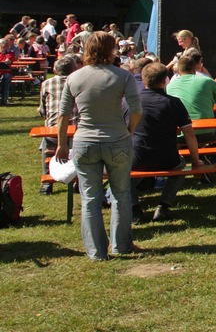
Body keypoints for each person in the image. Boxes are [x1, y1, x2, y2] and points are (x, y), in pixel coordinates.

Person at [56, 31, 142, 260]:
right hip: (117, 140)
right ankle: (121, 244)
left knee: (90, 198)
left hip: (84, 142)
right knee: (121, 194)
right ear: (112, 49)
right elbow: (136, 109)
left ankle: (95, 252)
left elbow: (63, 114)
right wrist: (128, 131)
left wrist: (62, 143)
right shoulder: (122, 76)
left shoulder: (74, 77)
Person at [132, 61, 202, 223]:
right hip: (168, 159)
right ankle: (163, 206)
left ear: (143, 80)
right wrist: (196, 160)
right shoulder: (174, 103)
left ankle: (134, 208)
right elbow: (190, 135)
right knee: (181, 165)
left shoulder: (130, 102)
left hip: (137, 158)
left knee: (121, 174)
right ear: (165, 81)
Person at [38, 55, 80, 194]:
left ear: (55, 70)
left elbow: (43, 109)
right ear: (74, 69)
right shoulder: (78, 82)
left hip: (54, 130)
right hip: (76, 129)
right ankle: (77, 181)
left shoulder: (46, 84)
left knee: (46, 145)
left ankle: (48, 182)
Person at [167, 51, 216, 142]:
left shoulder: (170, 85)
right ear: (194, 69)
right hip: (207, 133)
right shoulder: (206, 80)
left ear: (178, 70)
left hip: (181, 135)